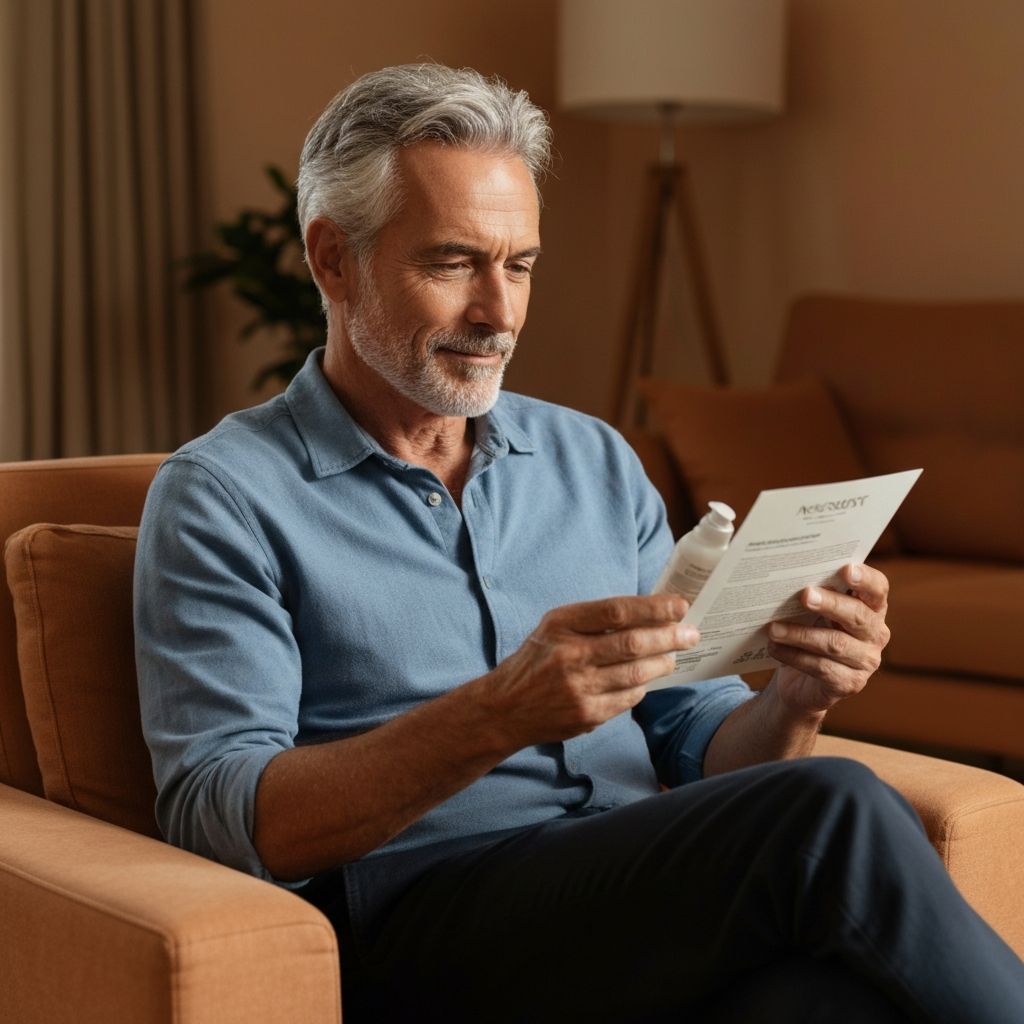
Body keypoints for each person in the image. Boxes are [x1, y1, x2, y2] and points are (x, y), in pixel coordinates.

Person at [134, 64, 1024, 1022]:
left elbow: (697, 734)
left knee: (829, 1002)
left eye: (518, 266)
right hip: (425, 924)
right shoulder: (224, 496)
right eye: (452, 263)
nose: (499, 312)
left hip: (631, 909)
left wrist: (796, 699)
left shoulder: (591, 459)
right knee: (834, 805)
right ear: (332, 260)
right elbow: (222, 811)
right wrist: (497, 713)